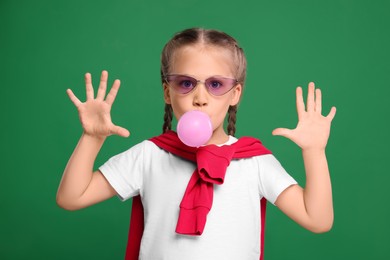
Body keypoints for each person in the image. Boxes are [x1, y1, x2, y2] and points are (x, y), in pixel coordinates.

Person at [57, 27, 336, 260]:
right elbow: (72, 197)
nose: (200, 98)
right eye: (186, 83)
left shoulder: (254, 162)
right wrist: (92, 138)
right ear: (168, 92)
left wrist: (314, 152)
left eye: (215, 84)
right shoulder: (150, 155)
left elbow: (318, 219)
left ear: (235, 93)